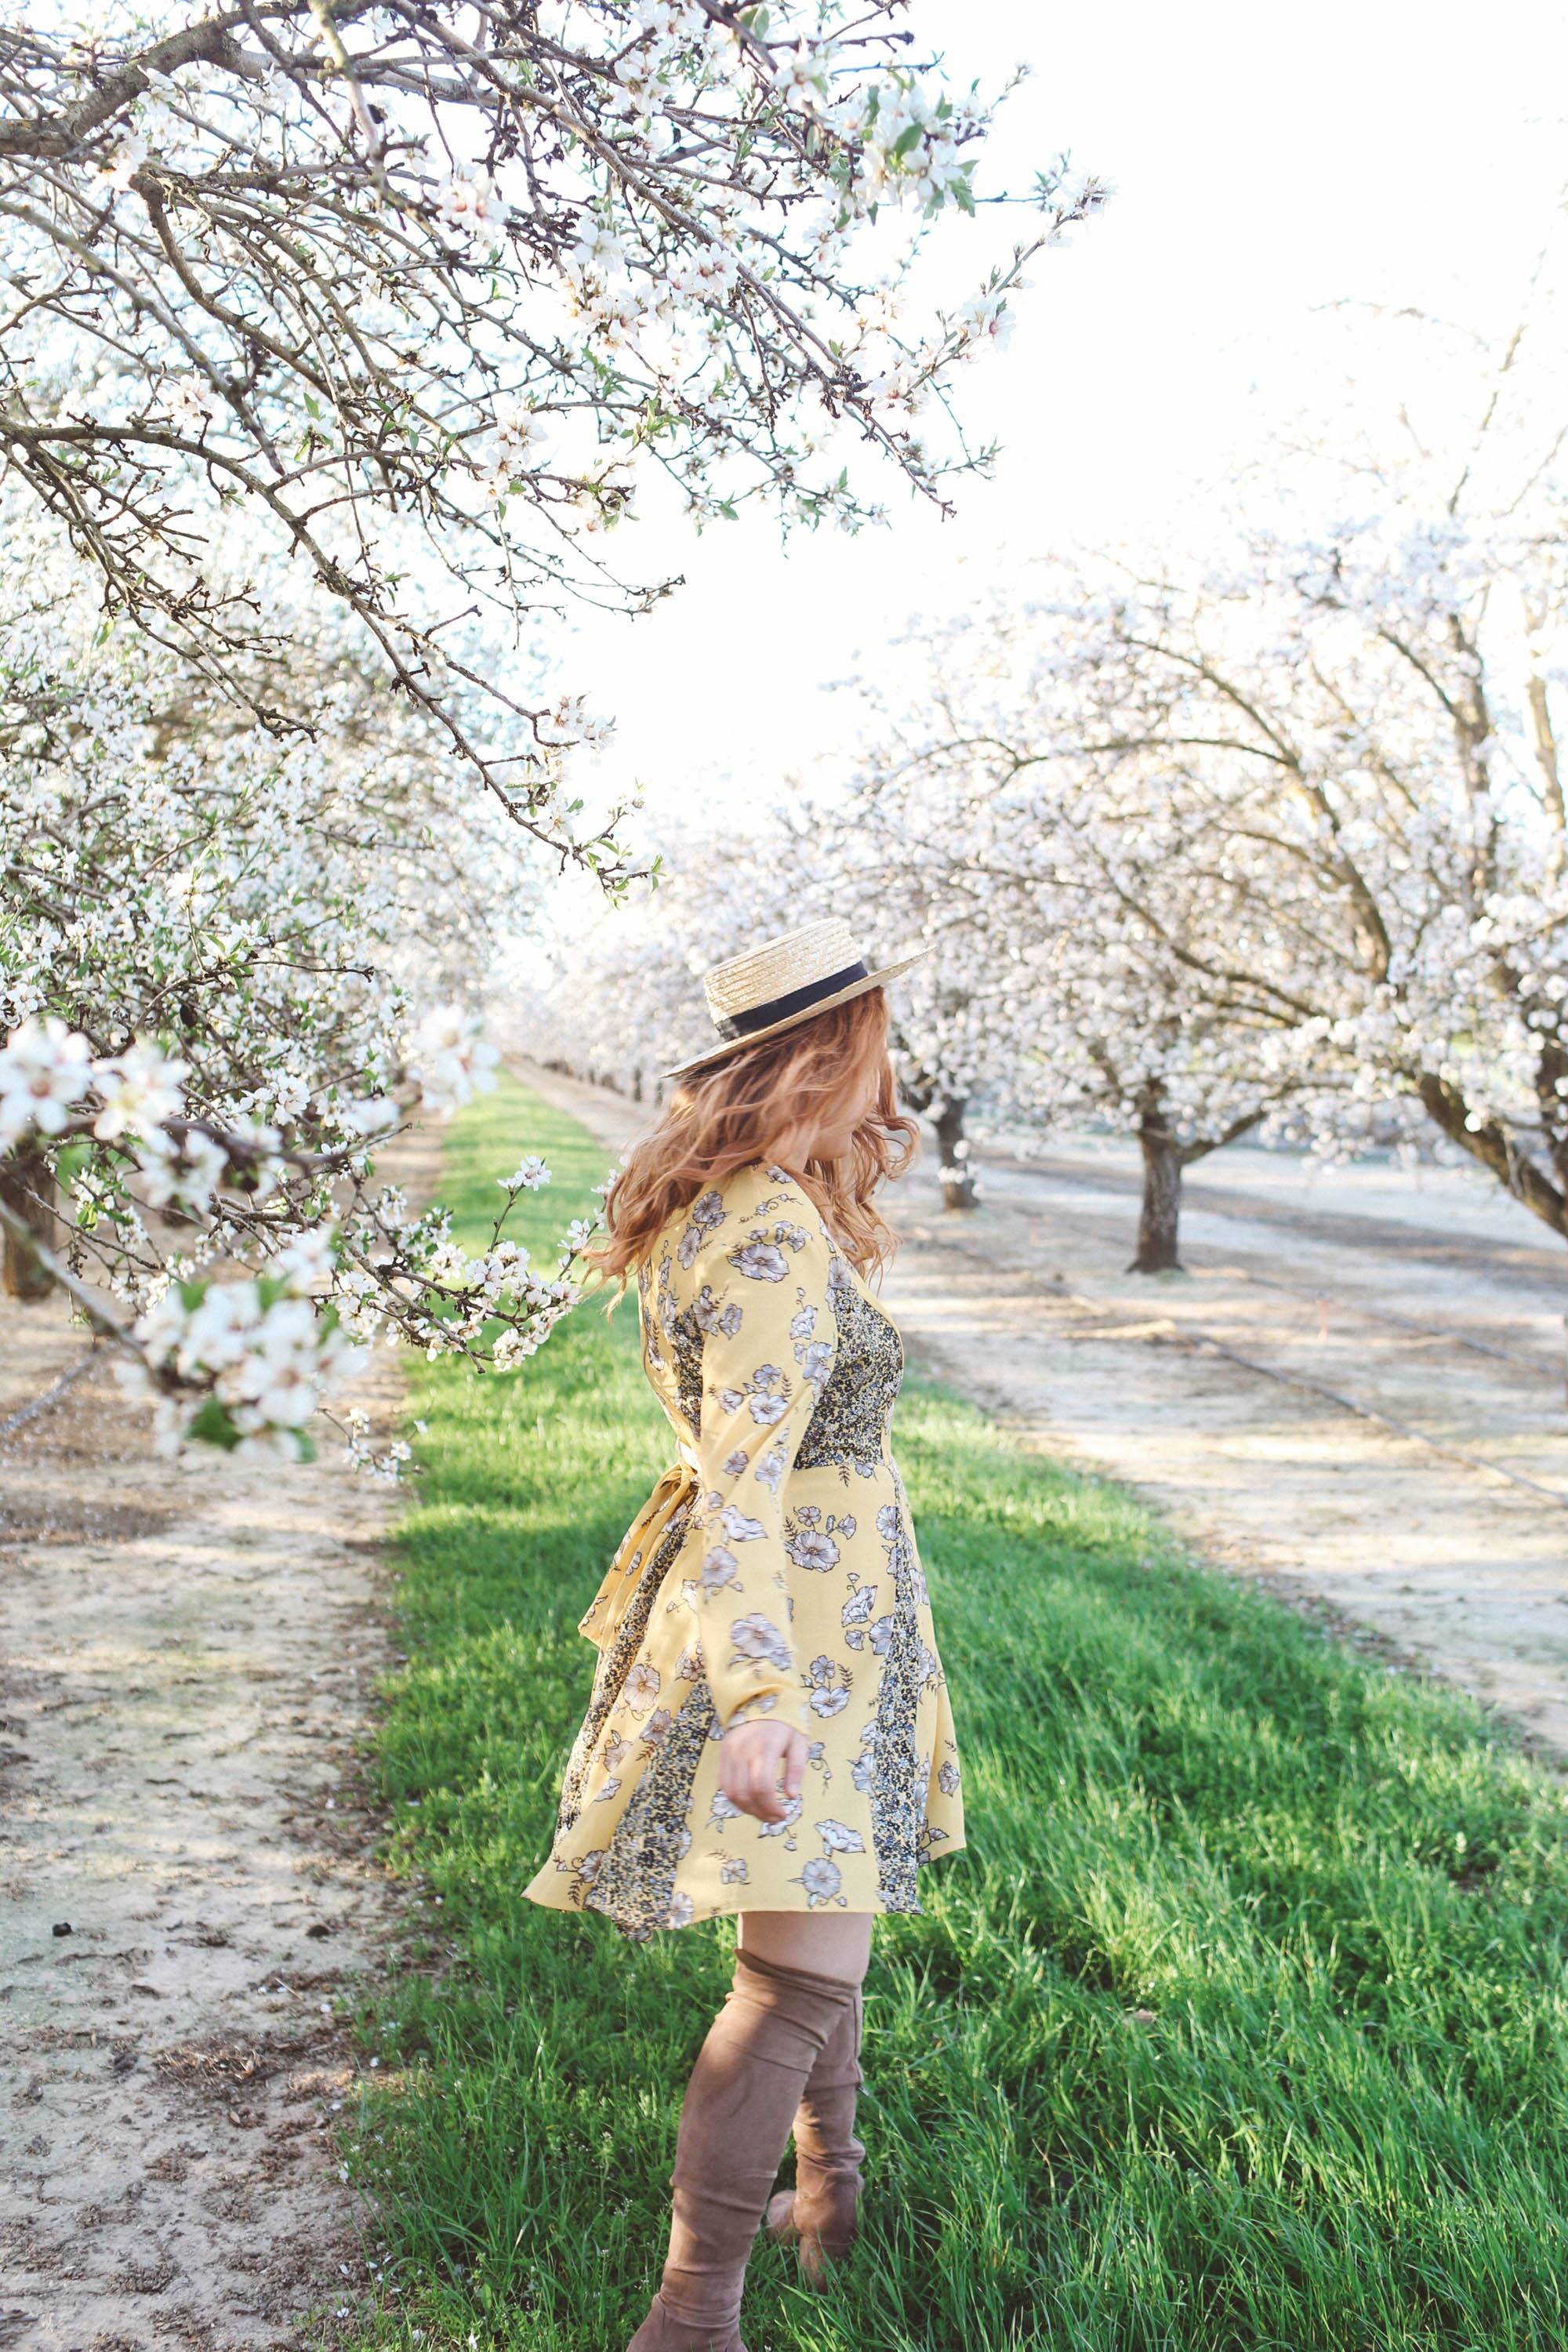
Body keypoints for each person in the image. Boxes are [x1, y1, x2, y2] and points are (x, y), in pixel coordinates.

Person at [524, 916, 967, 2352]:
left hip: (828, 1614)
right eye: (877, 1039)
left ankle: (829, 2205)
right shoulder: (767, 1234)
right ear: (831, 1050)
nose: (890, 1069)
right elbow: (745, 1484)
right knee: (791, 1985)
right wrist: (764, 1693)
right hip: (807, 1631)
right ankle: (692, 2314)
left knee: (820, 1935)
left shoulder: (727, 1205)